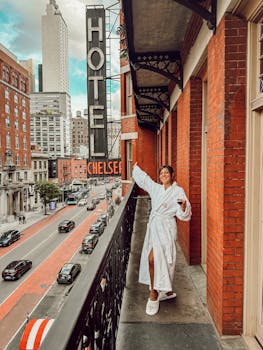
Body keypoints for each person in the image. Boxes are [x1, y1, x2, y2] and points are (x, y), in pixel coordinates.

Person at [132, 163, 192, 316]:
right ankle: (159, 292)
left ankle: (159, 292)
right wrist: (136, 169)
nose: (164, 175)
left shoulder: (178, 191)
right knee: (153, 259)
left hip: (166, 229)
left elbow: (182, 214)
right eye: (161, 173)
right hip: (154, 228)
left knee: (162, 260)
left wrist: (184, 208)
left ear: (172, 175)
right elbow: (145, 181)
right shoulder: (157, 189)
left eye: (167, 173)